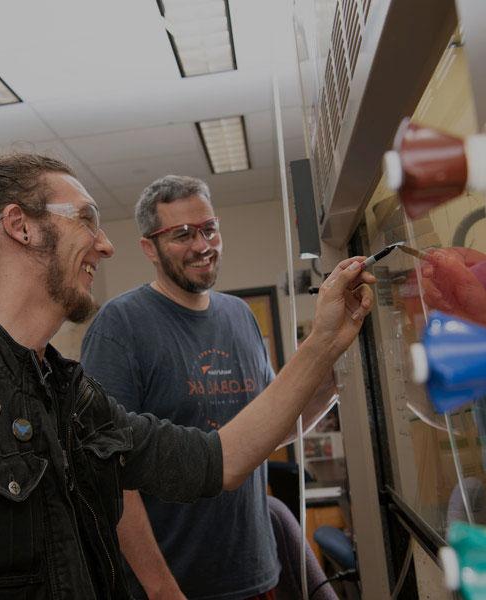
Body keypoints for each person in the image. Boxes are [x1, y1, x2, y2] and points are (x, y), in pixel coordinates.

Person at [0, 154, 374, 600]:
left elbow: (218, 460)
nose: (105, 245)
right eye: (86, 219)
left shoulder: (70, 397)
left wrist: (325, 341)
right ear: (22, 227)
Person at [80, 175, 341, 600]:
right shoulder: (120, 326)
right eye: (182, 234)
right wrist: (162, 589)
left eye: (209, 229)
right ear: (150, 247)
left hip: (258, 574)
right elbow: (106, 478)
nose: (202, 245)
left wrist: (334, 377)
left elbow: (272, 428)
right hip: (176, 585)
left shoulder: (240, 317)